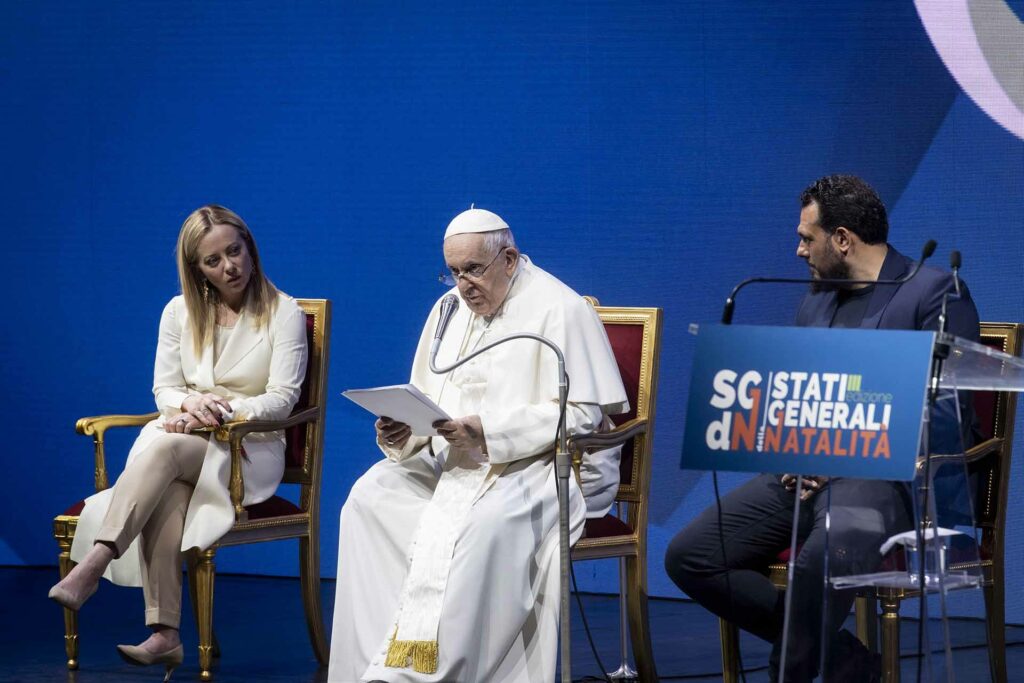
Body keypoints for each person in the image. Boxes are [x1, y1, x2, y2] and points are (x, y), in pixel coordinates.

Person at [665, 175, 980, 682]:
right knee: (692, 555)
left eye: (806, 238)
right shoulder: (815, 301)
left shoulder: (935, 292)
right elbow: (798, 396)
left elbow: (949, 413)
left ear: (841, 239)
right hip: (804, 475)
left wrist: (847, 454)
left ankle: (788, 672)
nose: (797, 250)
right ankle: (844, 658)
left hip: (892, 482)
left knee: (823, 551)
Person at [328, 207, 628, 683]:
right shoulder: (448, 309)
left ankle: (441, 674)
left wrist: (488, 431)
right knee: (369, 500)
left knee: (483, 527)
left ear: (508, 259)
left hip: (534, 466)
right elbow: (425, 394)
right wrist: (405, 430)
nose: (463, 284)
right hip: (452, 461)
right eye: (454, 272)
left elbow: (582, 415)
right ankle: (374, 665)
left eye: (473, 269)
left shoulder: (561, 309)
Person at [49, 205, 308, 678]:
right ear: (197, 269)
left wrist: (223, 411)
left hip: (246, 450)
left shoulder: (283, 312)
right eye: (213, 260)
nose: (230, 266)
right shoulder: (179, 311)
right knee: (167, 484)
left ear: (250, 247)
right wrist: (187, 406)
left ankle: (97, 560)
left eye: (235, 251)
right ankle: (166, 635)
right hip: (186, 435)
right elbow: (165, 388)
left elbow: (284, 399)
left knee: (163, 452)